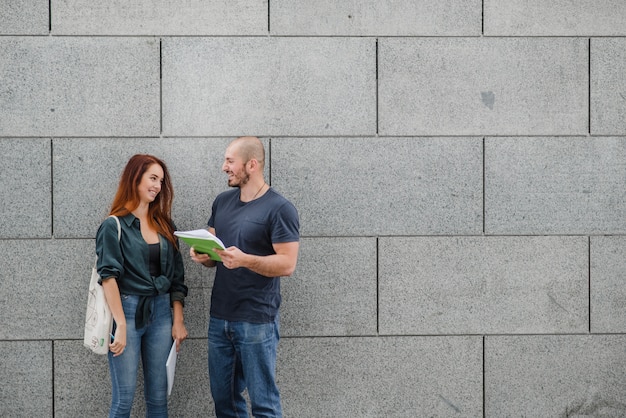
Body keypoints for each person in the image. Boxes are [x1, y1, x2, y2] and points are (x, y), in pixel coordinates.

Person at [191, 136, 299, 418]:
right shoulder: (222, 202)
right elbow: (214, 249)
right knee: (224, 402)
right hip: (220, 318)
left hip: (256, 320)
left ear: (252, 164)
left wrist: (245, 260)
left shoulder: (280, 208)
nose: (224, 167)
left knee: (263, 403)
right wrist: (204, 256)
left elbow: (287, 264)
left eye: (230, 161)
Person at [96, 154, 188, 418]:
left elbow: (177, 279)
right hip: (127, 309)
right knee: (123, 400)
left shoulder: (166, 226)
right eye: (152, 178)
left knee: (159, 400)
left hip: (161, 313)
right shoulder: (113, 225)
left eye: (161, 180)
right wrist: (121, 325)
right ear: (135, 178)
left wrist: (177, 319)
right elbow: (108, 277)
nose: (157, 186)